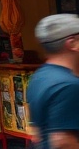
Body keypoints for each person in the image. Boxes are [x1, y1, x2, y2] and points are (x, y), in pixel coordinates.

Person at [26, 13, 79, 149]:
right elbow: (63, 142)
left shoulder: (40, 76)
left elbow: (36, 133)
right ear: (72, 43)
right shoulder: (68, 85)